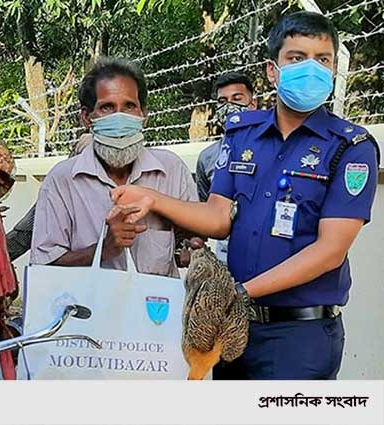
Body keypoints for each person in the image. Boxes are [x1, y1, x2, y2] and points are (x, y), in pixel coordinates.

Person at [111, 12, 379, 379]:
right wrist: (153, 199)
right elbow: (218, 219)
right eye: (297, 58)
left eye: (323, 59)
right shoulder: (242, 134)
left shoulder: (350, 147)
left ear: (334, 69)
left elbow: (330, 251)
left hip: (300, 337)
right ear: (273, 70)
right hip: (233, 330)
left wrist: (239, 292)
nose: (311, 69)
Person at [30, 57, 197, 278]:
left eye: (129, 106)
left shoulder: (171, 170)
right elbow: (43, 265)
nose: (119, 116)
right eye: (107, 107)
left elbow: (190, 237)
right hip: (88, 309)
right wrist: (103, 249)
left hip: (156, 309)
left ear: (143, 115)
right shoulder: (63, 180)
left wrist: (188, 246)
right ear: (86, 118)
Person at [196, 73, 258, 262]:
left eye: (237, 99)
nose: (229, 106)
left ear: (252, 104)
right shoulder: (207, 158)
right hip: (225, 253)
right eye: (222, 101)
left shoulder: (273, 148)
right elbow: (206, 208)